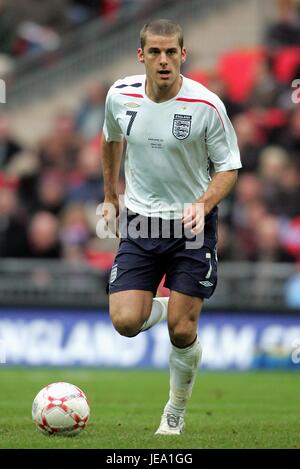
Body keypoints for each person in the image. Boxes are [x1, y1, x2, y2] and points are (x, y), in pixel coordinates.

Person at [101, 19, 241, 435]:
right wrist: (110, 195)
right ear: (141, 56)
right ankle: (165, 306)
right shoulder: (119, 96)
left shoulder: (207, 105)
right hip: (141, 222)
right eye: (156, 53)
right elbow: (111, 139)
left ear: (184, 55)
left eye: (172, 52)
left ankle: (175, 411)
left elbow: (229, 166)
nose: (164, 61)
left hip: (190, 224)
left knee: (182, 331)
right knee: (125, 322)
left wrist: (203, 203)